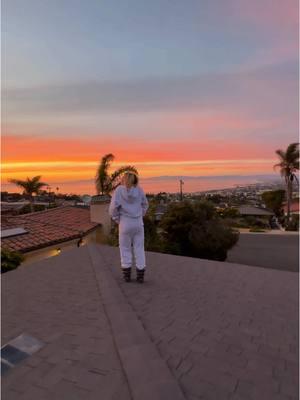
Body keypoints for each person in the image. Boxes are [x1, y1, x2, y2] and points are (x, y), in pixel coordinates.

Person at [109, 171, 149, 283]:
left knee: (125, 248)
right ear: (135, 180)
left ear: (124, 179)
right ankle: (140, 276)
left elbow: (112, 209)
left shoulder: (119, 191)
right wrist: (140, 215)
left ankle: (127, 276)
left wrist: (118, 219)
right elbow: (145, 204)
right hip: (138, 223)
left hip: (125, 223)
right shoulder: (140, 190)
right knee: (139, 248)